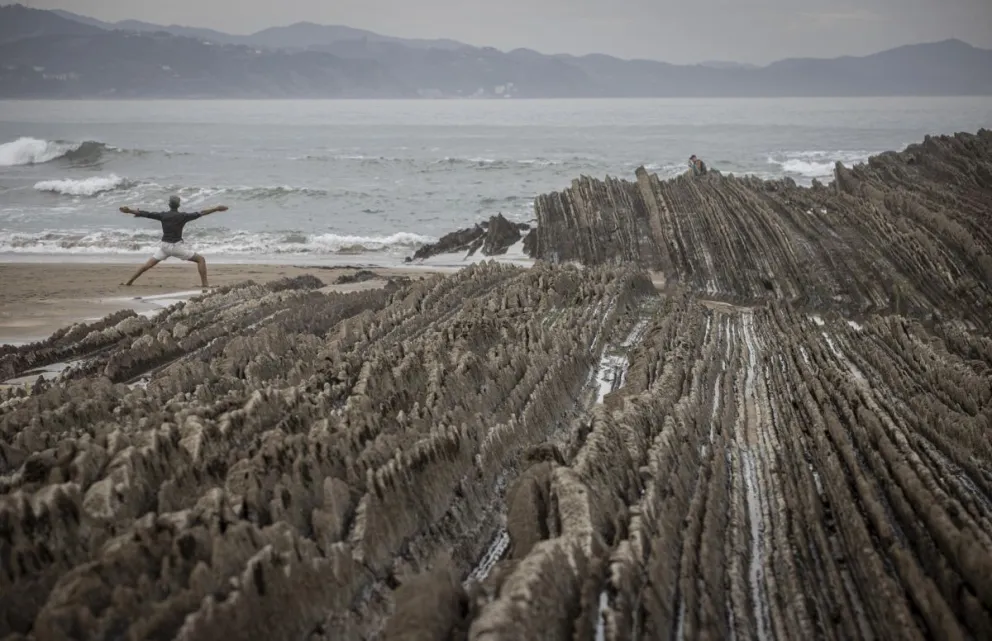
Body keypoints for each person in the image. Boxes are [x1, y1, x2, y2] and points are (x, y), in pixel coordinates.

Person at [119, 195, 228, 288]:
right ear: (179, 205)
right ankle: (205, 285)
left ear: (169, 204)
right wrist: (216, 208)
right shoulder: (183, 216)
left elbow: (145, 213)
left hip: (164, 247)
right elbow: (201, 213)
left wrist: (128, 210)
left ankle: (129, 282)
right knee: (201, 260)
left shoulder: (163, 215)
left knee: (147, 266)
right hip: (176, 247)